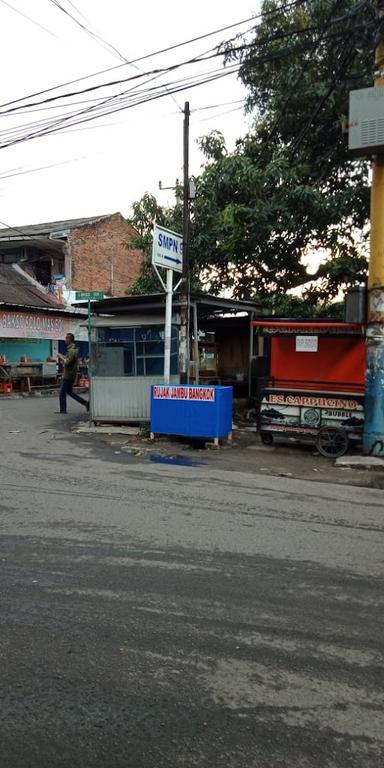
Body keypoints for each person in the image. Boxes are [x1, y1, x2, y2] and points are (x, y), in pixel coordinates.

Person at [57, 333, 89, 414]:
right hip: (70, 374)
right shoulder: (72, 350)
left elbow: (67, 362)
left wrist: (61, 357)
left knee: (62, 393)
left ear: (70, 340)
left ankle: (63, 410)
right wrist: (63, 357)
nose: (65, 340)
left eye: (66, 338)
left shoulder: (71, 351)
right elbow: (69, 360)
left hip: (68, 375)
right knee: (69, 392)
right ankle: (85, 403)